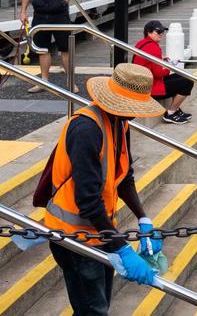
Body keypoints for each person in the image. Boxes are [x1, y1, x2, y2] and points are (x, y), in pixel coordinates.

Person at [44, 63, 165, 315]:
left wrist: (144, 218)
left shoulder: (120, 123)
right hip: (74, 236)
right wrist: (121, 247)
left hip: (99, 231)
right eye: (132, 108)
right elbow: (87, 201)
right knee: (93, 310)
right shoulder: (86, 129)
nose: (135, 114)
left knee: (98, 305)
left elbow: (124, 176)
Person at [20, 0, 77, 93]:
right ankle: (44, 82)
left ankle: (71, 81)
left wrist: (64, 1)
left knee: (65, 49)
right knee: (41, 49)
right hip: (40, 14)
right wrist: (23, 11)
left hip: (60, 13)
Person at [133, 20, 194, 124]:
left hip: (143, 84)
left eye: (162, 32)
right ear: (149, 32)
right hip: (150, 89)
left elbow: (148, 63)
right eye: (158, 32)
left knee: (181, 76)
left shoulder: (141, 43)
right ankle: (171, 113)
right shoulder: (153, 47)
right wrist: (169, 66)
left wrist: (161, 59)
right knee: (188, 82)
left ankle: (176, 109)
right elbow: (159, 74)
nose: (161, 34)